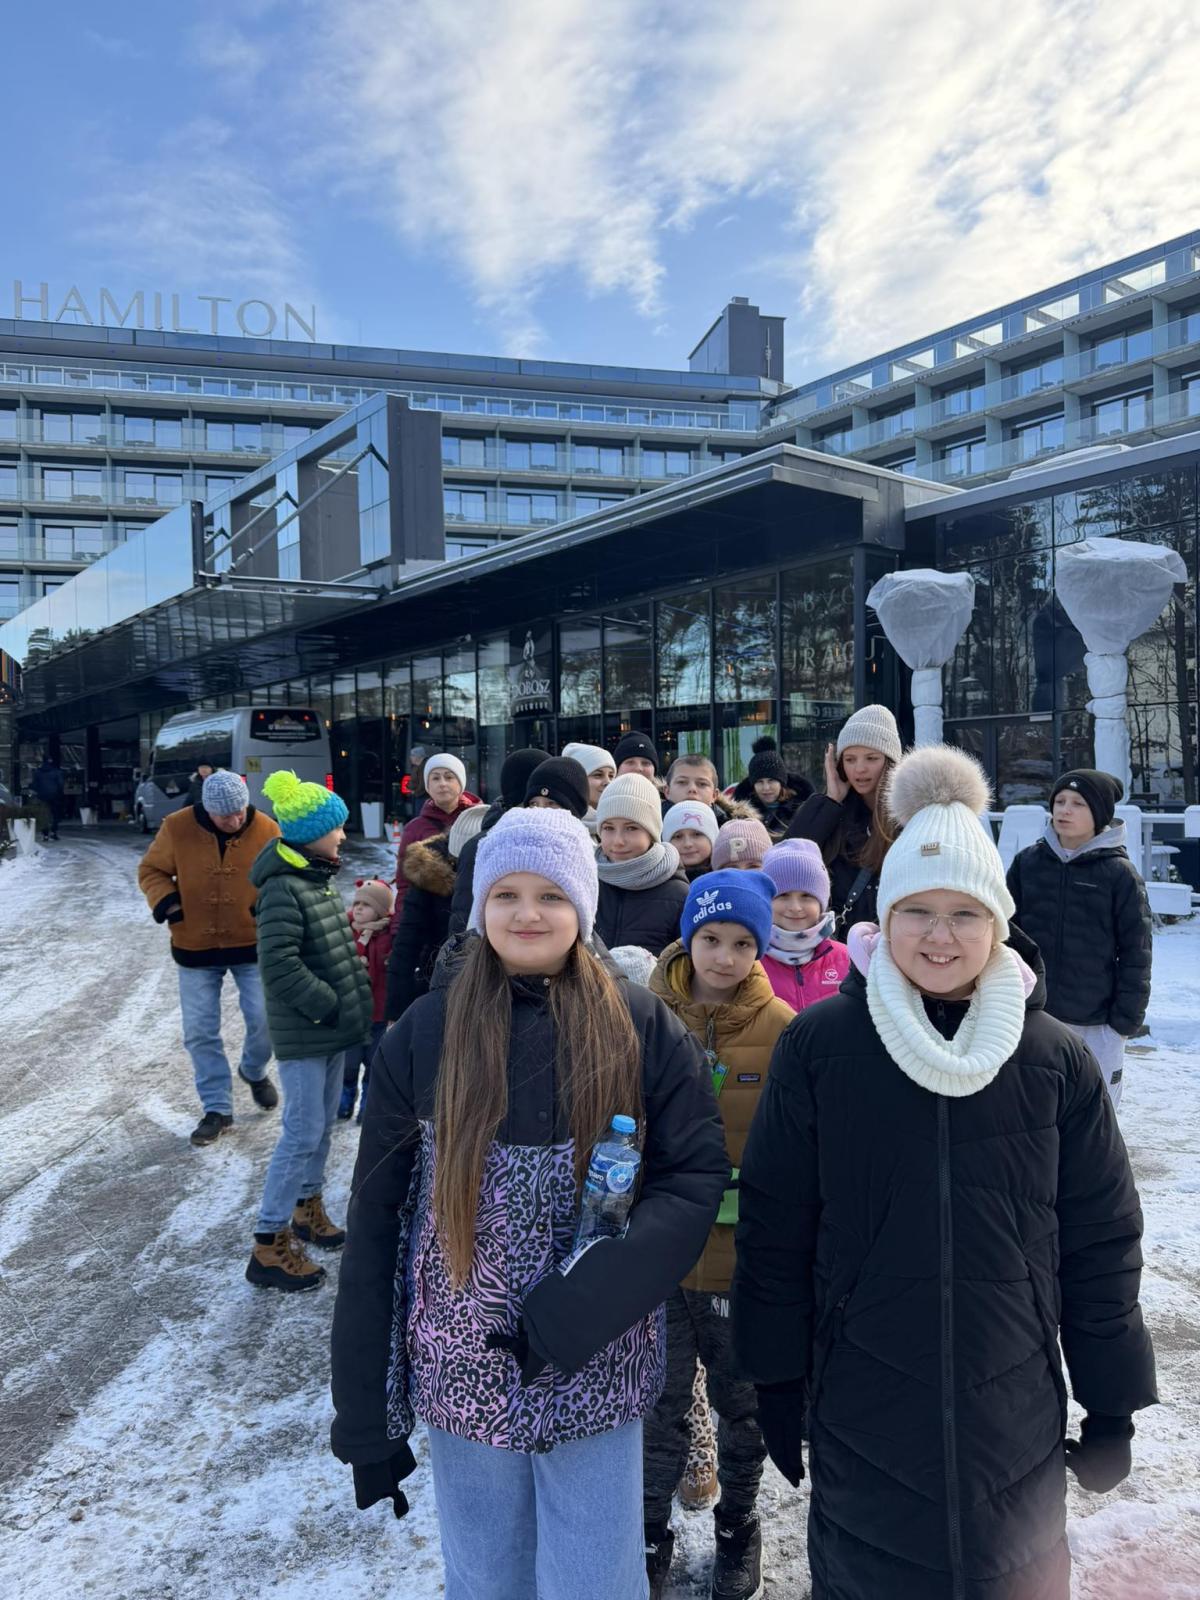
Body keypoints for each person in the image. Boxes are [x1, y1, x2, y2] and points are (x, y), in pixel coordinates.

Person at [733, 744, 1157, 1600]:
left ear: (999, 921)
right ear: (882, 917)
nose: (939, 936)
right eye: (916, 911)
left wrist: (1112, 1401)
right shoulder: (819, 1048)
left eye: (965, 912)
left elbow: (1100, 1241)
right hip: (863, 1400)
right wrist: (774, 1377)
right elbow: (776, 1226)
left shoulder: (1054, 1059)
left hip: (1013, 1405)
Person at [329, 806, 729, 1598]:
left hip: (598, 1361)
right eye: (506, 894)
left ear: (581, 903)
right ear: (480, 905)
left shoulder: (640, 1024)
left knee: (596, 1578)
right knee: (486, 1577)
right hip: (464, 1372)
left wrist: (589, 1302)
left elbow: (692, 1176)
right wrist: (367, 1417)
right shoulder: (426, 1034)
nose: (527, 914)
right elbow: (378, 1223)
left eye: (550, 894)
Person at [644, 869, 793, 1600]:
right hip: (658, 1253)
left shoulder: (783, 1028)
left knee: (743, 1406)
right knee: (657, 1404)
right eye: (711, 938)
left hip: (740, 1260)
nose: (725, 957)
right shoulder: (644, 1015)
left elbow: (800, 1144)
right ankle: (648, 1535)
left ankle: (738, 1527)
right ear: (688, 938)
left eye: (742, 943)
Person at [246, 770, 374, 1292]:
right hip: (307, 1032)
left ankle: (307, 1207)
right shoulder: (283, 888)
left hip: (330, 1030)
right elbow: (278, 965)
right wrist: (328, 1003)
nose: (343, 835)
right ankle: (268, 1241)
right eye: (336, 827)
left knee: (319, 1128)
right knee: (301, 1131)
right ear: (310, 833)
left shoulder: (314, 878)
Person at [137, 770, 281, 1147]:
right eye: (225, 816)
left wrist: (269, 909)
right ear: (207, 810)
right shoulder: (177, 827)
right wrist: (169, 905)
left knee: (265, 1018)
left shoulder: (267, 829)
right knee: (200, 1030)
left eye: (240, 812)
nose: (235, 820)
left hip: (250, 943)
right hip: (195, 945)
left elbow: (281, 877)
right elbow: (151, 870)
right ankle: (217, 1107)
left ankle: (253, 1070)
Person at [1006, 768, 1152, 1110]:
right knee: (1031, 1109)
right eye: (1060, 801)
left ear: (1099, 813)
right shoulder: (1028, 863)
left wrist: (1123, 1022)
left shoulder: (1119, 874)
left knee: (1095, 1113)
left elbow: (1137, 953)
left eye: (1077, 803)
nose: (1064, 810)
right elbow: (1004, 934)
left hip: (1096, 1023)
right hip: (1033, 1014)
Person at [784, 704, 901, 933]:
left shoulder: (908, 816)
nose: (860, 769)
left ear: (889, 761)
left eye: (871, 758)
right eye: (850, 759)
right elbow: (787, 861)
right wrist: (831, 800)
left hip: (891, 944)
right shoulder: (832, 813)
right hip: (839, 947)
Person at [595, 773, 689, 955]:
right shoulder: (586, 882)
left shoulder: (678, 894)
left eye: (631, 828)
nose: (618, 841)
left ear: (652, 832)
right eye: (608, 828)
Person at [758, 839, 850, 1012]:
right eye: (783, 895)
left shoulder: (846, 959)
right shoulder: (752, 960)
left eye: (806, 896)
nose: (795, 907)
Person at [391, 753, 480, 923]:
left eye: (449, 777)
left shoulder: (481, 819)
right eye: (435, 778)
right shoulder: (414, 829)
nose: (442, 783)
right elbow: (404, 884)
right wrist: (399, 927)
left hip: (473, 916)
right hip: (431, 919)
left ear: (461, 782)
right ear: (428, 785)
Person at [339, 878, 395, 1122]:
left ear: (381, 911)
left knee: (375, 1064)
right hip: (352, 1014)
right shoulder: (345, 932)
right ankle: (345, 1096)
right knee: (348, 1064)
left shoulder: (389, 936)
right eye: (357, 903)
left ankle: (368, 1105)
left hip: (379, 1014)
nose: (359, 908)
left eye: (367, 904)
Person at [729, 738, 811, 839]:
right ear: (753, 785)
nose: (766, 788)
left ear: (781, 782)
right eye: (760, 782)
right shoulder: (739, 815)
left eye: (771, 780)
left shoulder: (803, 810)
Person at [663, 800, 719, 881]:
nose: (687, 844)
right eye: (678, 836)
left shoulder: (727, 875)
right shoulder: (659, 881)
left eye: (697, 834)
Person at [561, 741, 616, 822]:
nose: (608, 782)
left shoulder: (621, 817)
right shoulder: (560, 822)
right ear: (576, 780)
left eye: (611, 776)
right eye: (598, 775)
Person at [32, 753, 66, 841]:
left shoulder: (37, 772)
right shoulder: (56, 771)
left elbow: (34, 785)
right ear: (50, 760)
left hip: (42, 796)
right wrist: (59, 792)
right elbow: (61, 784)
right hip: (54, 796)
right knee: (55, 814)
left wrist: (39, 791)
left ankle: (45, 834)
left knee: (43, 814)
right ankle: (54, 832)